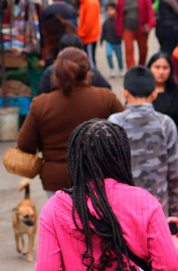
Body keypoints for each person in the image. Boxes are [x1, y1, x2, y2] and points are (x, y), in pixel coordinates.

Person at [36, 120, 178, 271]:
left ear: (75, 158)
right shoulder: (143, 201)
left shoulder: (54, 208)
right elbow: (169, 265)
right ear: (121, 157)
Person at [18, 48, 124, 195]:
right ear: (88, 73)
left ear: (56, 73)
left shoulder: (41, 104)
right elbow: (124, 134)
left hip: (57, 181)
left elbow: (25, 144)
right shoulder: (107, 99)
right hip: (99, 176)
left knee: (63, 218)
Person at [109, 67, 178, 217]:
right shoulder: (165, 123)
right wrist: (176, 212)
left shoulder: (114, 123)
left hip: (122, 211)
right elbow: (175, 172)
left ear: (124, 93)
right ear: (155, 93)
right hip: (158, 210)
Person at [37, 34, 111, 96]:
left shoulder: (50, 72)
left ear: (60, 52)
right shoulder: (91, 72)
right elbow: (107, 91)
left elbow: (41, 96)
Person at [148, 52, 178, 158]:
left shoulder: (177, 92)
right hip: (148, 145)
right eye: (157, 67)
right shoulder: (142, 92)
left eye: (165, 68)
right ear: (149, 68)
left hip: (173, 145)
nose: (161, 72)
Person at [115, 0, 156, 68]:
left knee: (143, 50)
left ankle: (141, 67)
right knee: (128, 50)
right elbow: (118, 13)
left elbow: (150, 9)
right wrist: (118, 27)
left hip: (141, 27)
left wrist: (150, 23)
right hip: (127, 27)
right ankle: (131, 70)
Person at [74, 0, 101, 67]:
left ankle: (93, 78)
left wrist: (81, 34)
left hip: (89, 37)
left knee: (90, 61)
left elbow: (89, 23)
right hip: (88, 36)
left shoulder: (90, 2)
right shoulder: (86, 0)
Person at [101, 4, 124, 78]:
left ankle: (121, 69)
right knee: (108, 54)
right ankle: (112, 69)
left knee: (119, 57)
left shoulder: (119, 21)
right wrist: (102, 40)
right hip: (109, 42)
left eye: (112, 10)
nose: (110, 12)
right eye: (108, 10)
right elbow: (103, 32)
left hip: (117, 42)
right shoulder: (106, 22)